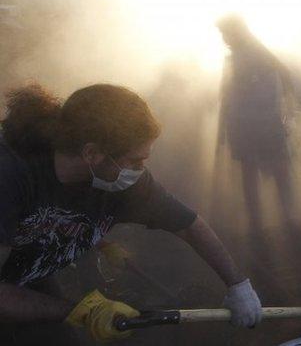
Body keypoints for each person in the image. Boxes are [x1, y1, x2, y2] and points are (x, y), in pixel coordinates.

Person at [0, 84, 263, 344]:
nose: (141, 170)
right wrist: (81, 311)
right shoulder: (11, 176)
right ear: (92, 153)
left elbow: (188, 225)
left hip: (25, 275)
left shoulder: (125, 184)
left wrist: (238, 285)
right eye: (135, 160)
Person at [216, 15, 297, 232]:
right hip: (246, 125)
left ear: (237, 31)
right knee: (254, 172)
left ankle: (287, 221)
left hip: (263, 123)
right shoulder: (237, 56)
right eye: (222, 34)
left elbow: (286, 75)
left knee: (273, 171)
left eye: (226, 33)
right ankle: (262, 223)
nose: (224, 38)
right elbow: (227, 95)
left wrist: (287, 111)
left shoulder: (255, 53)